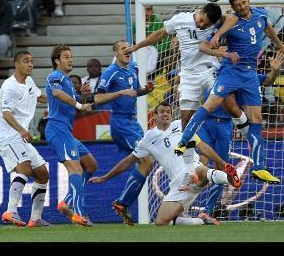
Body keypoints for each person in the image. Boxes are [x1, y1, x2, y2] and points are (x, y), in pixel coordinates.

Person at [175, 0, 284, 185]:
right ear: (233, 8)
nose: (241, 7)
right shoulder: (231, 22)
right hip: (231, 72)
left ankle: (259, 168)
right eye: (237, 5)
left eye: (243, 3)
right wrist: (220, 48)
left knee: (256, 120)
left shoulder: (260, 15)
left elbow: (267, 27)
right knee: (211, 104)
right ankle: (183, 141)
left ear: (248, 1)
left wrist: (280, 45)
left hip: (249, 74)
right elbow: (203, 46)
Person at [89, 101, 240, 226]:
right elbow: (129, 161)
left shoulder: (181, 126)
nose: (166, 113)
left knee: (200, 171)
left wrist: (223, 163)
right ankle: (202, 221)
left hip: (191, 171)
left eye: (168, 111)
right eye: (162, 111)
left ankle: (230, 178)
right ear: (154, 116)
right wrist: (106, 177)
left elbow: (202, 146)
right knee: (160, 222)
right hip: (177, 184)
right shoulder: (149, 137)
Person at [125, 3, 249, 132]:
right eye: (201, 20)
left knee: (231, 106)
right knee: (186, 121)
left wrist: (218, 34)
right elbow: (159, 34)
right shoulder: (181, 19)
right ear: (200, 11)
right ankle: (188, 152)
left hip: (210, 71)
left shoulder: (217, 22)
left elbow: (234, 18)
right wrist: (137, 46)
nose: (201, 25)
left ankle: (251, 136)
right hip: (189, 75)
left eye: (206, 25)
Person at [197, 51, 284, 224]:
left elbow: (267, 81)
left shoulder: (244, 74)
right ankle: (182, 207)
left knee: (222, 168)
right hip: (205, 123)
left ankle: (207, 211)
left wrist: (274, 70)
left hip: (225, 125)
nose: (226, 55)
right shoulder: (210, 70)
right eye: (223, 52)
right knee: (200, 166)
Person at [94, 39, 154, 224]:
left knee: (146, 162)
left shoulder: (134, 67)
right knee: (145, 159)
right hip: (120, 123)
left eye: (129, 47)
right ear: (116, 53)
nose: (127, 50)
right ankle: (122, 202)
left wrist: (145, 90)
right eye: (123, 48)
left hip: (133, 122)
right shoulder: (111, 72)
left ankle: (123, 203)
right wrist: (120, 93)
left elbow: (134, 92)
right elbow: (97, 98)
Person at [0, 51, 50, 228]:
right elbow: (6, 113)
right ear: (16, 64)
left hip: (20, 137)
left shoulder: (29, 82)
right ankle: (11, 211)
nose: (30, 64)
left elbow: (40, 97)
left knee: (42, 173)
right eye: (26, 61)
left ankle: (35, 218)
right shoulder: (9, 86)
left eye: (32, 61)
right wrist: (22, 130)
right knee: (24, 168)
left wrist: (63, 100)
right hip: (8, 136)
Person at [45, 44, 97, 227]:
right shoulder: (55, 77)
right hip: (57, 129)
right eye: (66, 57)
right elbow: (57, 94)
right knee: (76, 169)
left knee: (90, 164)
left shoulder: (67, 80)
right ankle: (79, 214)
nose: (71, 59)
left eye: (71, 56)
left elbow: (72, 104)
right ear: (57, 61)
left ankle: (66, 202)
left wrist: (82, 98)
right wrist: (79, 104)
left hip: (66, 131)